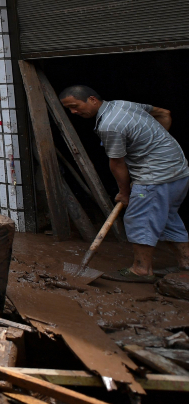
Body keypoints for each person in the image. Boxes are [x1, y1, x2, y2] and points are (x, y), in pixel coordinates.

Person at [60, 85, 189, 283]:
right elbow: (164, 113)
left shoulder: (110, 125)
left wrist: (125, 192)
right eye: (69, 109)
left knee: (139, 219)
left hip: (155, 177)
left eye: (75, 106)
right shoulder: (122, 105)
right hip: (178, 172)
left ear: (93, 100)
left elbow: (117, 163)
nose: (74, 112)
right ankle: (186, 265)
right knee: (166, 217)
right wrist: (151, 145)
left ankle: (141, 270)